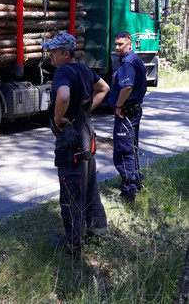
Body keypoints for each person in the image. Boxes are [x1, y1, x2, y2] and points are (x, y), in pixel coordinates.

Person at [41, 32, 110, 253]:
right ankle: (97, 233)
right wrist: (85, 110)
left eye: (53, 51)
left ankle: (74, 245)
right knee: (90, 188)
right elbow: (104, 88)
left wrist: (59, 118)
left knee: (71, 194)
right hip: (87, 138)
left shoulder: (63, 71)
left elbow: (62, 96)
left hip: (71, 143)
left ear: (66, 53)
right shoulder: (84, 69)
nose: (50, 55)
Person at [108, 31, 147, 201]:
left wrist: (118, 106)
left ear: (129, 44)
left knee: (123, 152)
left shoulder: (128, 63)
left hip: (126, 113)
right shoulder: (136, 59)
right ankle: (137, 183)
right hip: (134, 111)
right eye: (115, 44)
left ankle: (128, 192)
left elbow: (127, 87)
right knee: (132, 148)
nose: (117, 47)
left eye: (121, 44)